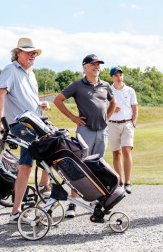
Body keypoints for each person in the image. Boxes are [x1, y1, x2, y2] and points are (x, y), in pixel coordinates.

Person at [0, 37, 50, 223]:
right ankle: (16, 211)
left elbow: (27, 99)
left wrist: (40, 104)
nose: (32, 55)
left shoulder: (31, 74)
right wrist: (1, 123)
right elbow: (0, 95)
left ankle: (44, 186)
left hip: (35, 122)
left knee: (53, 146)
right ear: (18, 53)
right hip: (21, 126)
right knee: (25, 166)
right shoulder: (10, 70)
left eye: (34, 53)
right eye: (28, 52)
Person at [54, 54, 116, 217]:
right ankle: (73, 205)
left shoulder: (105, 85)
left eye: (98, 65)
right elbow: (58, 100)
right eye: (93, 64)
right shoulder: (77, 85)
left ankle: (97, 201)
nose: (97, 67)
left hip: (102, 131)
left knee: (97, 167)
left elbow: (113, 103)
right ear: (85, 67)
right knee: (79, 167)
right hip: (85, 131)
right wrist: (73, 118)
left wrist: (106, 117)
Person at [108, 66, 138, 194]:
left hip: (127, 123)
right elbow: (102, 106)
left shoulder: (130, 91)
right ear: (111, 77)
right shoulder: (107, 90)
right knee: (116, 153)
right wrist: (111, 108)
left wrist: (133, 123)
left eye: (120, 75)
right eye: (116, 75)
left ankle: (127, 182)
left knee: (126, 150)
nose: (119, 78)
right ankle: (120, 181)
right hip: (112, 124)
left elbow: (135, 109)